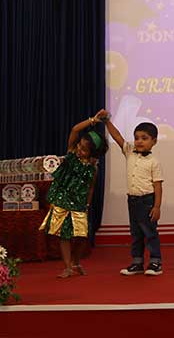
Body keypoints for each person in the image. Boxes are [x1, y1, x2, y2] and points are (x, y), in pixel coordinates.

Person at [39, 114, 107, 278]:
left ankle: (76, 262)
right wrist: (92, 120)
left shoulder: (93, 168)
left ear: (92, 153)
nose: (79, 149)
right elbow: (75, 130)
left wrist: (87, 205)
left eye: (84, 149)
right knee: (64, 235)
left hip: (79, 203)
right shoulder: (70, 154)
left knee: (82, 236)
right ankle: (68, 266)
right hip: (62, 198)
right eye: (79, 145)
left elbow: (91, 188)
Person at [103, 110, 165, 276]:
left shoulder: (154, 162)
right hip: (132, 200)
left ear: (154, 141)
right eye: (136, 138)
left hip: (147, 201)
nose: (139, 141)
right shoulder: (130, 152)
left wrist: (157, 206)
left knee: (150, 233)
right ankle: (137, 263)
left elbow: (158, 186)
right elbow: (117, 136)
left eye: (144, 138)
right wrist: (106, 121)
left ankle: (155, 263)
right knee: (136, 233)